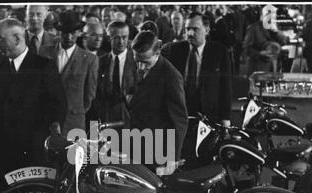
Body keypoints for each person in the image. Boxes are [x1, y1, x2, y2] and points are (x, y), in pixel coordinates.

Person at [0, 18, 67, 173]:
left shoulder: (43, 66)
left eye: (0, 39)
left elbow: (58, 106)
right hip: (4, 152)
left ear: (17, 38)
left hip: (35, 151)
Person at [161, 12, 232, 166]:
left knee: (204, 159)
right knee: (180, 159)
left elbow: (225, 87)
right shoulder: (175, 51)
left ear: (207, 30)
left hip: (208, 116)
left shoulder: (219, 52)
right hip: (180, 115)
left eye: (195, 29)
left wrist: (225, 118)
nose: (190, 33)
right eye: (187, 29)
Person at [130, 31, 188, 165]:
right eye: (137, 61)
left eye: (145, 62)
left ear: (157, 54)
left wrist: (172, 159)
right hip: (137, 145)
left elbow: (179, 121)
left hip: (158, 152)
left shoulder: (171, 77)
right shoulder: (142, 64)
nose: (140, 67)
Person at [43, 10, 99, 136]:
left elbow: (89, 96)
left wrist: (74, 111)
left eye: (73, 32)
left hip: (74, 124)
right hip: (46, 122)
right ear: (58, 32)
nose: (68, 37)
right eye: (64, 32)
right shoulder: (44, 53)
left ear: (79, 33)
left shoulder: (89, 59)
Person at [92, 21, 137, 126]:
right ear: (109, 38)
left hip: (130, 119)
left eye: (124, 37)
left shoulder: (136, 61)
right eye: (116, 38)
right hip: (105, 118)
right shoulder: (100, 62)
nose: (121, 41)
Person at [243, 6, 288, 76]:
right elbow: (246, 48)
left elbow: (284, 42)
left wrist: (276, 32)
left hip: (273, 69)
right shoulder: (253, 28)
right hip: (258, 68)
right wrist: (259, 53)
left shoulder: (274, 28)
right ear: (262, 15)